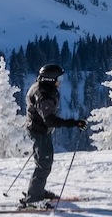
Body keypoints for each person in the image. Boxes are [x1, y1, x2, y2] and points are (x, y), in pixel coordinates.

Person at [23, 64, 86, 205]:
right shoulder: (44, 96)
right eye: (59, 78)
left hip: (38, 129)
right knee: (44, 164)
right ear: (50, 80)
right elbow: (50, 120)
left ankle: (37, 191)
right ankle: (34, 198)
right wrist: (73, 123)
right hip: (39, 131)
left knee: (43, 162)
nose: (61, 81)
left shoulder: (42, 88)